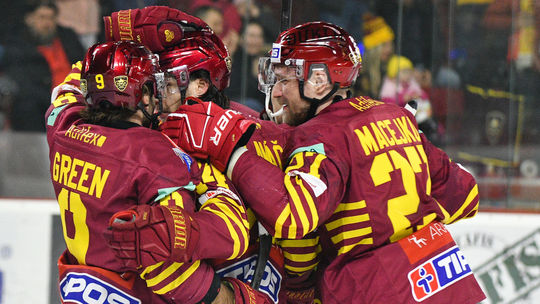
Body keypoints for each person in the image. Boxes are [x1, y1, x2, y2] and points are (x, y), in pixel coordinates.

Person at [163, 21, 487, 303]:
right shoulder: (396, 116)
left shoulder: (321, 135)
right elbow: (466, 194)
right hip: (444, 283)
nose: (276, 93)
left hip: (372, 291)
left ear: (318, 81)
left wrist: (231, 150)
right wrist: (406, 223)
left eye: (285, 80)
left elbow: (293, 216)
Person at [46, 40, 255, 304]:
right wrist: (215, 187)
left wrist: (111, 56)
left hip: (79, 293)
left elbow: (66, 89)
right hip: (133, 294)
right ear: (142, 95)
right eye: (152, 87)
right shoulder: (155, 154)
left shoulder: (63, 126)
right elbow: (174, 250)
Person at [2, 2, 84, 131]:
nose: (47, 23)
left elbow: (85, 64)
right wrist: (56, 101)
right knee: (26, 106)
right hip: (42, 100)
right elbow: (21, 81)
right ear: (29, 19)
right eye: (42, 17)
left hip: (76, 95)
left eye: (51, 18)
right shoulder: (17, 44)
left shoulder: (68, 38)